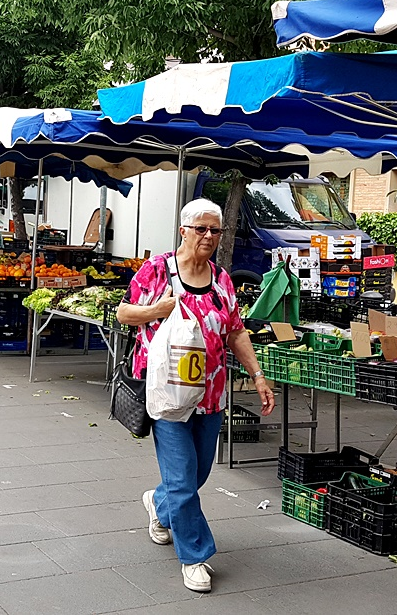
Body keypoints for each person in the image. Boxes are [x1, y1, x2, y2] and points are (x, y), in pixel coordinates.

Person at [116, 198, 275, 594]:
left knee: (198, 472)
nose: (207, 236)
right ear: (183, 230)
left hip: (211, 393)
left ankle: (158, 503)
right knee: (184, 479)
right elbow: (124, 313)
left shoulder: (222, 279)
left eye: (214, 230)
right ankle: (195, 556)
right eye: (200, 228)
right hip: (168, 394)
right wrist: (159, 309)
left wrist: (257, 376)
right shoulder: (157, 271)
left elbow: (236, 330)